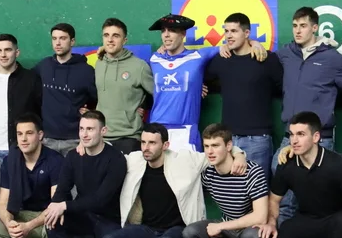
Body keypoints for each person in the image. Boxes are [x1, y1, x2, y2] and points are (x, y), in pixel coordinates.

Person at [98, 123, 247, 238]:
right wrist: (84, 145)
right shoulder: (135, 160)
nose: (146, 148)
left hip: (178, 230)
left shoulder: (185, 160)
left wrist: (239, 155)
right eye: (143, 142)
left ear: (165, 145)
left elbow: (217, 153)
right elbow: (108, 153)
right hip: (147, 229)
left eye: (152, 143)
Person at [274, 7, 342, 221]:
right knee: (283, 202)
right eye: (294, 26)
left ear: (315, 28)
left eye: (303, 26)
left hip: (321, 139)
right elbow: (262, 64)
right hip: (289, 138)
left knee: (321, 201)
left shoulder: (332, 58)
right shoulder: (286, 54)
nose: (298, 30)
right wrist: (255, 45)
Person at [147, 13, 266, 152]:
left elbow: (234, 44)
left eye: (172, 30)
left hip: (185, 131)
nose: (166, 35)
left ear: (183, 33)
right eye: (163, 31)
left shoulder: (198, 56)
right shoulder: (154, 59)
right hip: (156, 130)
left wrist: (254, 43)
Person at [43, 110, 126, 238]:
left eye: (90, 129)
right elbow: (62, 190)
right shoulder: (73, 156)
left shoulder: (116, 159)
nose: (84, 134)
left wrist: (64, 206)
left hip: (108, 220)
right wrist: (56, 206)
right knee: (53, 219)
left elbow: (101, 200)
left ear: (103, 131)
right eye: (81, 129)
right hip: (83, 216)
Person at [182, 123, 270, 238]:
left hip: (249, 231)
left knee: (255, 237)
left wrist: (221, 226)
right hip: (228, 234)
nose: (210, 151)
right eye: (207, 146)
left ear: (229, 146)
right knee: (190, 233)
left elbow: (260, 217)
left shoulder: (252, 172)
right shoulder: (208, 173)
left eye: (215, 145)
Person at [0, 113, 64, 238]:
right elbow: (3, 203)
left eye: (29, 133)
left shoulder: (55, 160)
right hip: (21, 214)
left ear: (40, 135)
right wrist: (10, 224)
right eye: (19, 134)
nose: (23, 139)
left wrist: (28, 226)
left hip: (47, 217)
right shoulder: (10, 161)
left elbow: (56, 205)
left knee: (58, 222)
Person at [203, 12, 283, 170]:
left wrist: (255, 43)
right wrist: (199, 86)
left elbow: (284, 88)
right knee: (231, 186)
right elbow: (199, 78)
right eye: (226, 31)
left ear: (246, 33)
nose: (229, 35)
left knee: (258, 185)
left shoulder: (266, 59)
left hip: (258, 139)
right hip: (228, 140)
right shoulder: (221, 59)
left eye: (234, 31)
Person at [0, 34, 42, 162]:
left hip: (18, 150)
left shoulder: (31, 79)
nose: (3, 55)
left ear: (17, 52)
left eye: (8, 50)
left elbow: (39, 111)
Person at [35, 23, 96, 156]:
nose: (58, 43)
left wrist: (89, 111)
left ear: (72, 41)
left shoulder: (86, 71)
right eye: (54, 38)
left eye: (62, 38)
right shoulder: (44, 66)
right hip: (47, 139)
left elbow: (96, 100)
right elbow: (21, 77)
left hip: (75, 141)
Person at [95, 18, 153, 154]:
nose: (110, 40)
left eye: (116, 36)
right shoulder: (99, 63)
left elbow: (159, 95)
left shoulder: (139, 66)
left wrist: (144, 106)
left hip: (129, 137)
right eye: (106, 35)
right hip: (102, 137)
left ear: (124, 40)